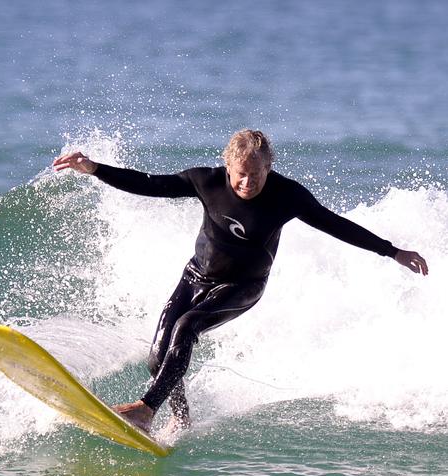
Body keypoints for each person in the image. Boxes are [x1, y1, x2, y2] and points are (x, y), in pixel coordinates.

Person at [52, 129, 428, 433]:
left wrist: (392, 251)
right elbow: (151, 184)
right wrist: (95, 169)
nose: (248, 183)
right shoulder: (206, 181)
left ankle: (145, 409)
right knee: (158, 354)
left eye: (257, 174)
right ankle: (178, 417)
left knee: (187, 327)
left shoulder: (287, 196)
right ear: (227, 166)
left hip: (244, 286)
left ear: (269, 168)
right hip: (196, 276)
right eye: (241, 175)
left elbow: (335, 224)